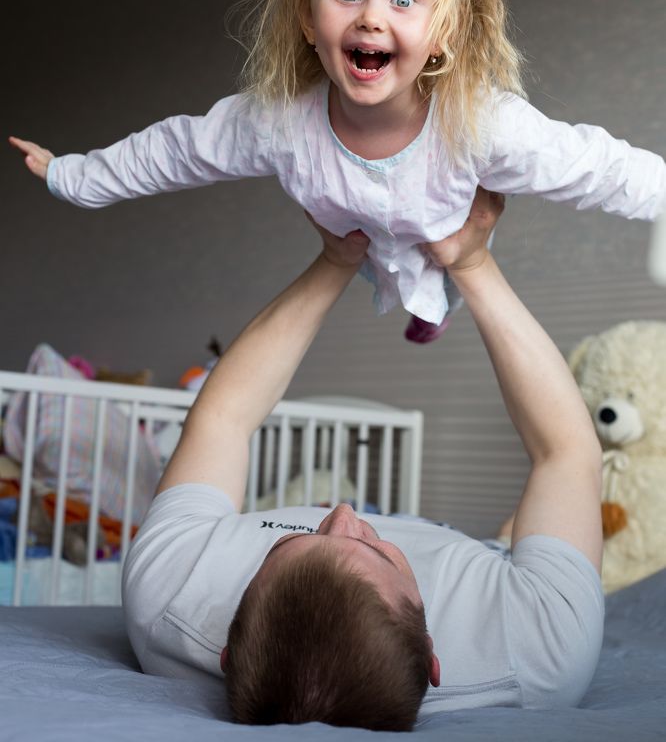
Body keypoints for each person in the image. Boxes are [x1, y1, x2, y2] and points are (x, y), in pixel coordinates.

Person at [10, 0, 665, 343]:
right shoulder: (277, 122)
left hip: (446, 228)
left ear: (444, 32)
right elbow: (179, 151)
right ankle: (419, 301)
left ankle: (432, 306)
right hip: (362, 241)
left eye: (404, 0)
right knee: (388, 267)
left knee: (439, 275)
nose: (371, 17)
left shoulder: (483, 123)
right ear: (306, 16)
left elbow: (595, 166)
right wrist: (75, 175)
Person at [121, 189, 604, 731]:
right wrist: (473, 264)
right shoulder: (540, 652)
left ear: (224, 653)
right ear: (433, 657)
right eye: (375, 549)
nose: (345, 513)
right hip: (491, 562)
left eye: (295, 541)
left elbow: (222, 418)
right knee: (537, 533)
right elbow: (566, 452)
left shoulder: (168, 595)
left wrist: (337, 259)